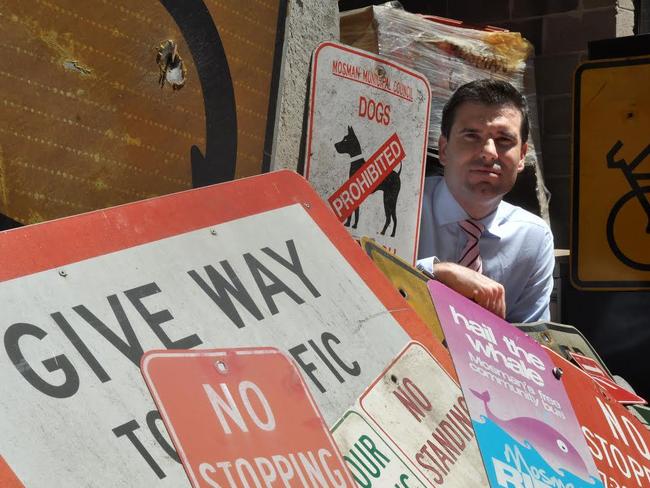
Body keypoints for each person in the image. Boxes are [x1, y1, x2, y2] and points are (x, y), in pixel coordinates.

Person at [417, 79, 554, 323]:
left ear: (522, 156)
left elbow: (532, 341)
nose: (489, 152)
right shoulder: (404, 206)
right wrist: (435, 272)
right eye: (472, 135)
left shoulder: (533, 238)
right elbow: (356, 274)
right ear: (444, 149)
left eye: (504, 141)